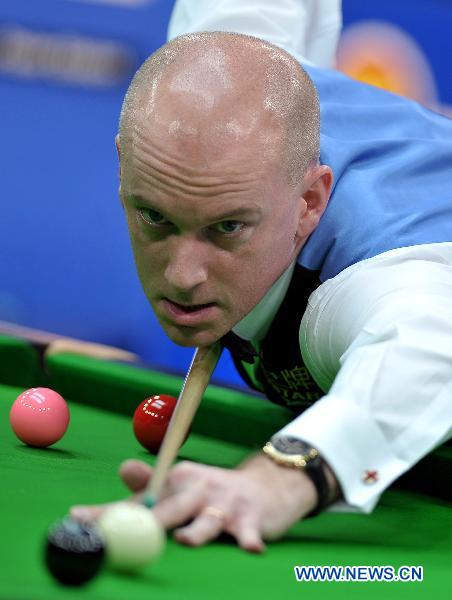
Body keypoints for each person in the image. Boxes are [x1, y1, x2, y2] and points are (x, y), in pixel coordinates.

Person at [71, 1, 452, 552]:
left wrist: (277, 481)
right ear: (121, 164)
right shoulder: (223, 62)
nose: (182, 277)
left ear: (309, 202)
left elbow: (432, 344)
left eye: (227, 227)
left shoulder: (360, 283)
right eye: (156, 217)